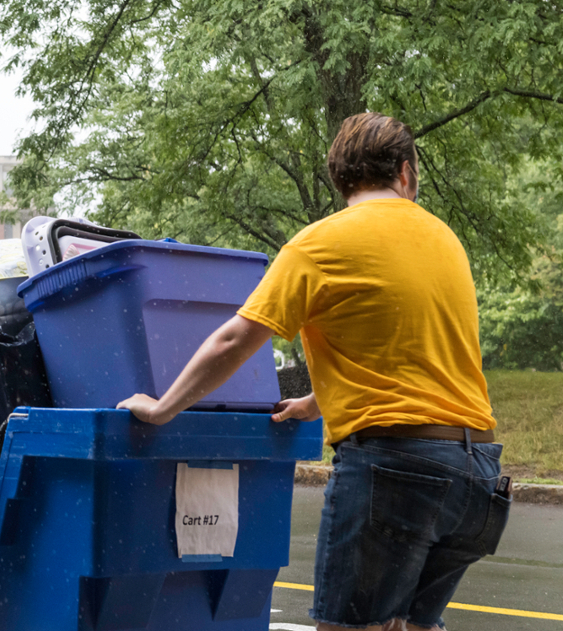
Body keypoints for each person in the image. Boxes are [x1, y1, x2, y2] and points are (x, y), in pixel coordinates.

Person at [118, 112, 506, 631]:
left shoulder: (321, 244)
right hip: (477, 474)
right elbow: (409, 349)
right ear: (407, 175)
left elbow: (237, 338)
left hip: (397, 466)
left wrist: (163, 407)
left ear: (340, 179)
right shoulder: (444, 240)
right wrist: (317, 401)